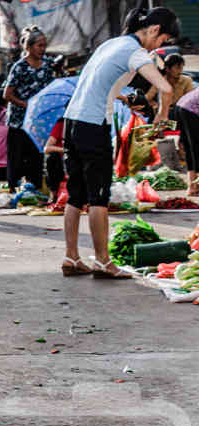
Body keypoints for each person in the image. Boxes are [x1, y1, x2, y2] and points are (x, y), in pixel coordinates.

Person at [62, 7, 179, 278]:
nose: (159, 47)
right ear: (153, 30)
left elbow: (98, 84)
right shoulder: (135, 52)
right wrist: (161, 116)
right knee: (98, 197)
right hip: (93, 126)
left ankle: (71, 258)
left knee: (76, 194)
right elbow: (166, 88)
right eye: (162, 41)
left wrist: (123, 99)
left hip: (72, 122)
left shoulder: (111, 44)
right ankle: (103, 262)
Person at [3, 26, 54, 193]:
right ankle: (14, 188)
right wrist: (26, 105)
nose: (42, 49)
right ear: (29, 47)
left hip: (38, 120)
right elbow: (7, 94)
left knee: (36, 155)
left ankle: (36, 188)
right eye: (39, 45)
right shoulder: (19, 67)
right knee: (16, 156)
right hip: (19, 120)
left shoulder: (47, 66)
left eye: (44, 45)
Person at [178, 87, 199, 197]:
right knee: (195, 147)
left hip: (183, 105)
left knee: (191, 148)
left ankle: (192, 187)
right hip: (191, 109)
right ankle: (195, 186)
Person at [43, 118, 66, 204]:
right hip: (61, 159)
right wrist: (65, 150)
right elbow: (47, 148)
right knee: (51, 158)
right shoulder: (61, 124)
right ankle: (53, 193)